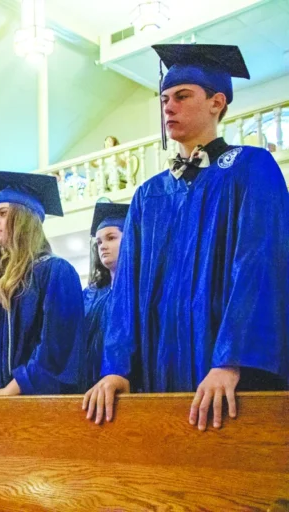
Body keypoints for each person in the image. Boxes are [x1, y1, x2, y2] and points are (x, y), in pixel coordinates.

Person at [85, 44, 289, 431]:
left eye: (182, 96)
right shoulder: (149, 194)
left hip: (227, 380)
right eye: (164, 99)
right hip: (159, 374)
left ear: (216, 102)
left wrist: (230, 361)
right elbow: (126, 290)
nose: (168, 107)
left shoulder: (250, 168)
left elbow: (260, 266)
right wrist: (116, 369)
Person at [0, 171, 85, 397]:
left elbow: (55, 348)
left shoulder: (54, 271)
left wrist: (6, 393)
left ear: (25, 219)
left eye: (3, 213)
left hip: (31, 404)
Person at [82, 203, 129, 390]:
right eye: (99, 242)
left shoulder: (140, 293)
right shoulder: (90, 294)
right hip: (87, 386)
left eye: (111, 238)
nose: (103, 246)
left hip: (127, 387)